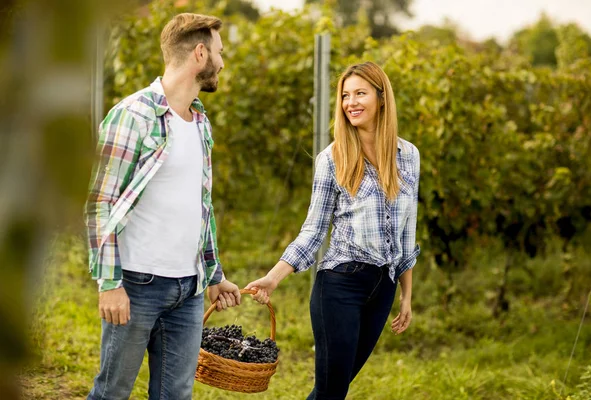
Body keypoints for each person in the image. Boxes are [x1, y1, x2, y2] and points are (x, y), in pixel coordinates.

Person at [85, 13, 241, 400]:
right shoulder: (133, 115)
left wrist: (213, 274)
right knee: (112, 393)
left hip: (188, 291)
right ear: (200, 54)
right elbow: (99, 203)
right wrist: (110, 285)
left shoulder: (200, 122)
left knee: (175, 395)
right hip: (137, 286)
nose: (223, 61)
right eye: (220, 52)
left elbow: (199, 206)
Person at [246, 61, 420, 400]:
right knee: (331, 392)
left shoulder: (409, 156)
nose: (350, 102)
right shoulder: (333, 158)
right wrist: (274, 277)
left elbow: (406, 236)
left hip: (382, 289)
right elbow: (313, 231)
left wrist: (406, 295)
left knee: (331, 390)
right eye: (345, 95)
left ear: (382, 99)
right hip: (340, 286)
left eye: (360, 94)